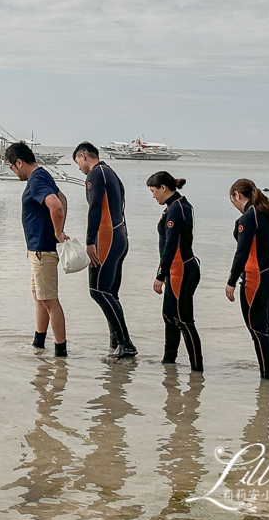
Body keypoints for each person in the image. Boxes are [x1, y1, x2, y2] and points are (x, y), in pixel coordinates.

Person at [73, 142, 137, 358]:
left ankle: (125, 343)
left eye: (78, 163)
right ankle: (115, 341)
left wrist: (90, 241)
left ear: (83, 156)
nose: (79, 168)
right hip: (120, 237)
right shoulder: (111, 173)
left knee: (98, 291)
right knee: (110, 292)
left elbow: (95, 209)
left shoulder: (95, 174)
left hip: (106, 237)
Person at [7, 142, 68, 357]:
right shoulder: (43, 174)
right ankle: (39, 342)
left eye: (13, 168)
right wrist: (58, 231)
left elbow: (56, 205)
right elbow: (62, 199)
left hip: (42, 249)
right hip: (38, 248)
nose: (15, 173)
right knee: (39, 296)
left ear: (19, 162)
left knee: (49, 299)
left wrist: (58, 233)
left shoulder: (36, 179)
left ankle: (61, 352)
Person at [226, 179, 269, 379]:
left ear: (237, 196)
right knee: (264, 327)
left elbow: (241, 253)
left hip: (255, 280)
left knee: (257, 330)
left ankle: (267, 378)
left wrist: (231, 282)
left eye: (232, 200)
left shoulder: (248, 218)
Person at [149, 172, 203, 372]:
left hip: (181, 269)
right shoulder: (177, 205)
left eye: (153, 191)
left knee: (184, 320)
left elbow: (171, 245)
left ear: (164, 188)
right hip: (177, 269)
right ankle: (168, 362)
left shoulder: (177, 209)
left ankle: (197, 371)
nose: (153, 196)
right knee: (169, 316)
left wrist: (160, 275)